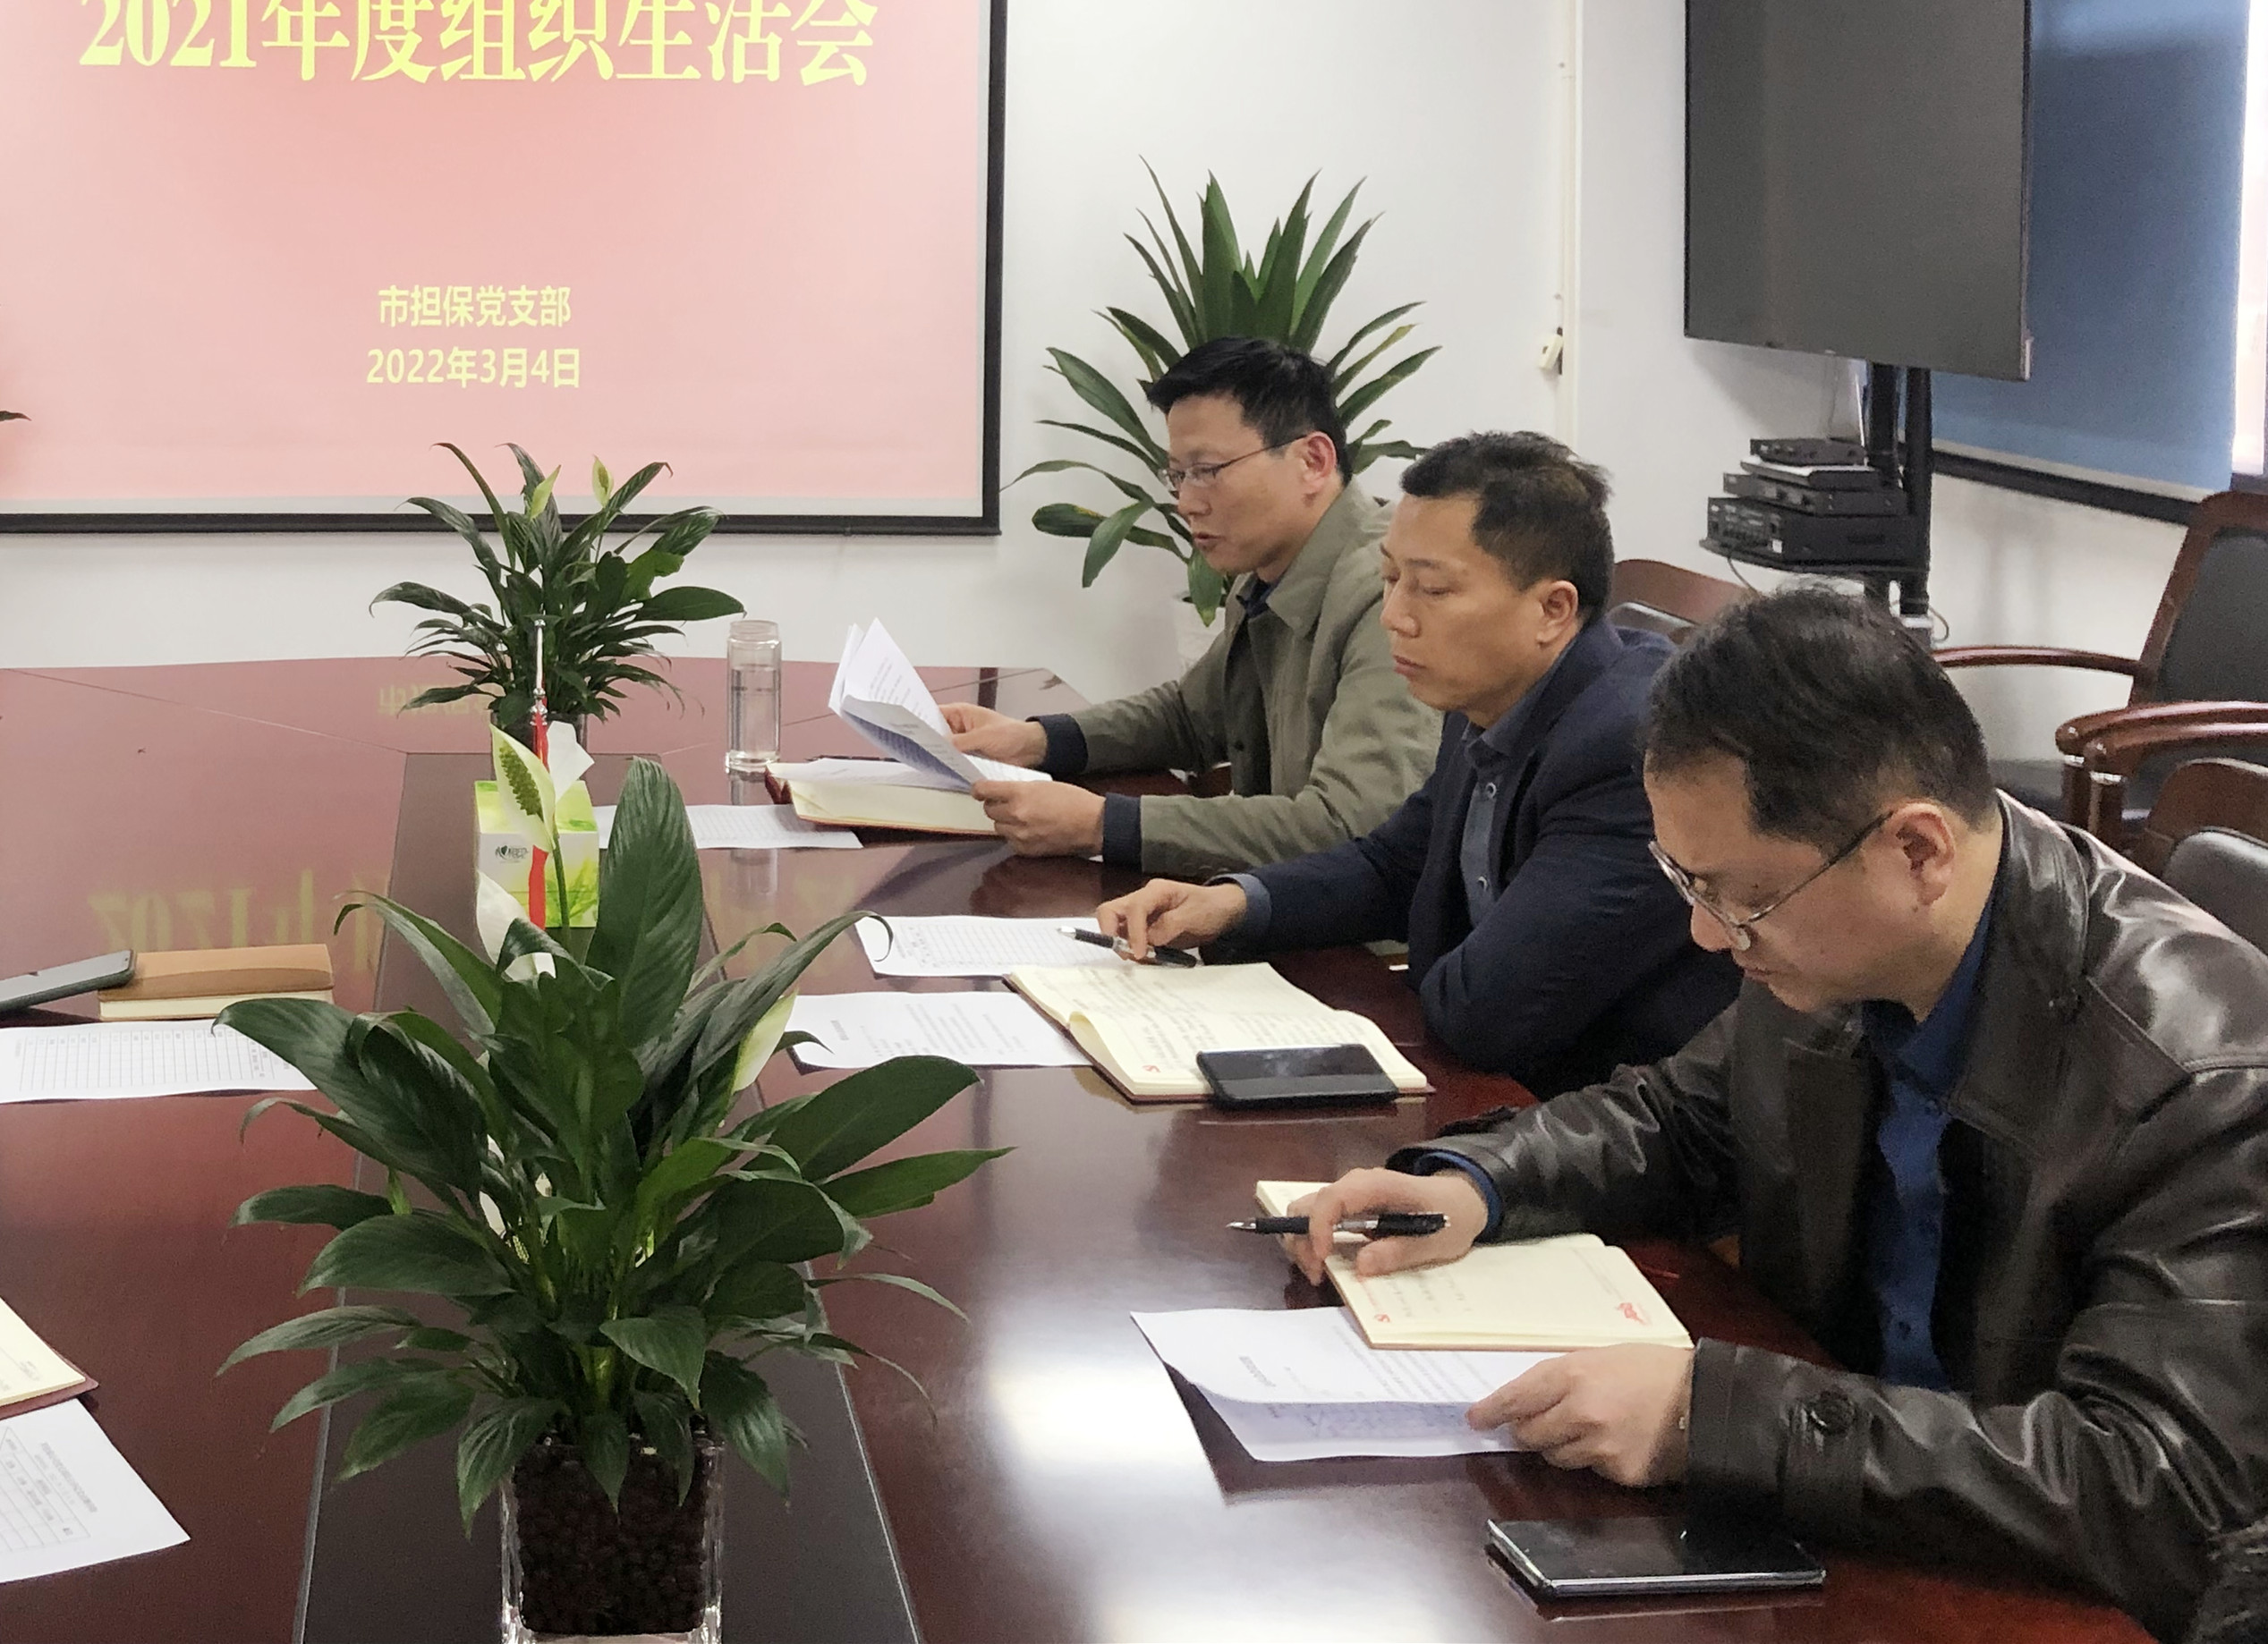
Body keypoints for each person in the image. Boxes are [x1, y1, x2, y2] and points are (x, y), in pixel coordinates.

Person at [1287, 588, 2268, 1638]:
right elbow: (1684, 1117)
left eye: (1738, 898)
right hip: (1853, 1519)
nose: (1710, 937)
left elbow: (2152, 1485)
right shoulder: (1843, 933)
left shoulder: (2199, 1081)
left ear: (1919, 852)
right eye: (1686, 883)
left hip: (2047, 1596)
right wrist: (1481, 1182)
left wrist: (1710, 1416)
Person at [1096, 432, 1735, 1094]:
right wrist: (1232, 903)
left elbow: (1485, 1012)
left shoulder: (1629, 751)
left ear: (1553, 609)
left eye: (1430, 589)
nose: (1395, 617)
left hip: (1604, 1118)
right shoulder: (1490, 692)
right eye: (1390, 579)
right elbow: (1395, 864)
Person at [940, 336, 1437, 877]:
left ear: (1312, 461)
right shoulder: (1267, 568)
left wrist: (1104, 824)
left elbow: (1351, 826)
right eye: (1178, 475)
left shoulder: (1388, 595)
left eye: (1207, 470)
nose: (1185, 502)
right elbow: (1192, 717)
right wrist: (1035, 740)